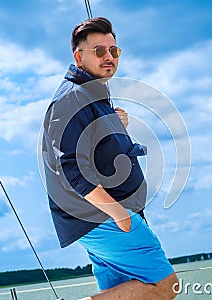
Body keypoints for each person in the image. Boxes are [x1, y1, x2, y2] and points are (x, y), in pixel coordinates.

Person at [41, 17, 178, 299]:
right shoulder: (72, 98)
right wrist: (119, 214)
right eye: (99, 51)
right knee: (166, 286)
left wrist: (116, 127)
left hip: (102, 218)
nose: (109, 57)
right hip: (103, 217)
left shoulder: (91, 97)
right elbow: (70, 167)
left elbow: (96, 152)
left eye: (113, 50)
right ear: (79, 57)